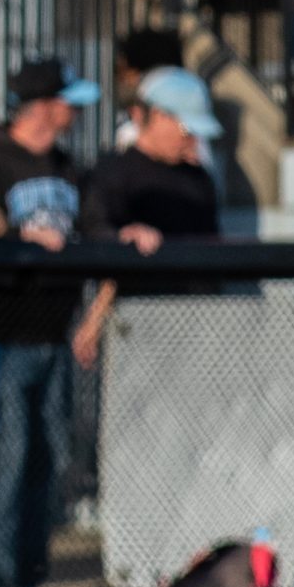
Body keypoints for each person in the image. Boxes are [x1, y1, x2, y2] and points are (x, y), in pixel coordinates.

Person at [0, 57, 96, 587]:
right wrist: (18, 233)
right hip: (5, 336)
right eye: (68, 102)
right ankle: (0, 583)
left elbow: (95, 233)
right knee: (11, 459)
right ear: (44, 106)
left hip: (56, 335)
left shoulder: (69, 168)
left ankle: (32, 580)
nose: (75, 112)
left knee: (51, 460)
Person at [74, 67, 222, 366]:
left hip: (198, 329)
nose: (191, 140)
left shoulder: (199, 178)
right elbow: (97, 235)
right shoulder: (113, 173)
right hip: (133, 329)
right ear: (155, 116)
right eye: (186, 129)